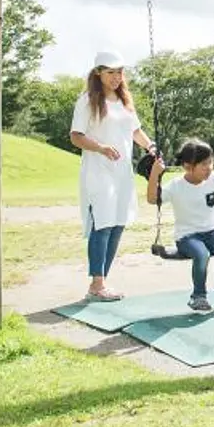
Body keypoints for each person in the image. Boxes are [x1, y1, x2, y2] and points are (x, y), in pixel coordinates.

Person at [69, 50, 157, 303]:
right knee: (103, 224)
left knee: (118, 224)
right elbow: (76, 135)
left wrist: (150, 147)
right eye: (111, 73)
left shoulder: (124, 100)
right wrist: (101, 147)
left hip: (122, 174)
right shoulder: (87, 100)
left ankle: (101, 282)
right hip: (98, 172)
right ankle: (97, 284)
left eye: (119, 72)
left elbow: (136, 131)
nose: (116, 77)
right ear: (98, 73)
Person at [146, 138, 214, 311]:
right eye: (204, 164)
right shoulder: (176, 186)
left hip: (212, 232)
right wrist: (155, 173)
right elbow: (152, 199)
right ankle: (198, 296)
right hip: (187, 237)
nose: (209, 168)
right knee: (202, 254)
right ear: (188, 166)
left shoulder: (213, 180)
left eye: (211, 163)